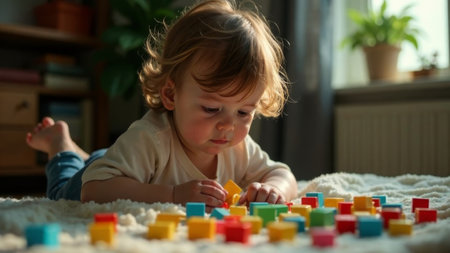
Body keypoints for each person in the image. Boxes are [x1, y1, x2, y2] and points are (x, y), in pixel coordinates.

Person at [26, 0, 297, 211]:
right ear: (170, 95)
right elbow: (94, 189)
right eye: (211, 109)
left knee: (104, 161)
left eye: (244, 112)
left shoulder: (238, 146)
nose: (228, 124)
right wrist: (173, 195)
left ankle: (89, 155)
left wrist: (274, 189)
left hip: (122, 163)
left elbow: (282, 173)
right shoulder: (151, 138)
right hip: (106, 173)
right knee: (62, 194)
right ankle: (60, 146)